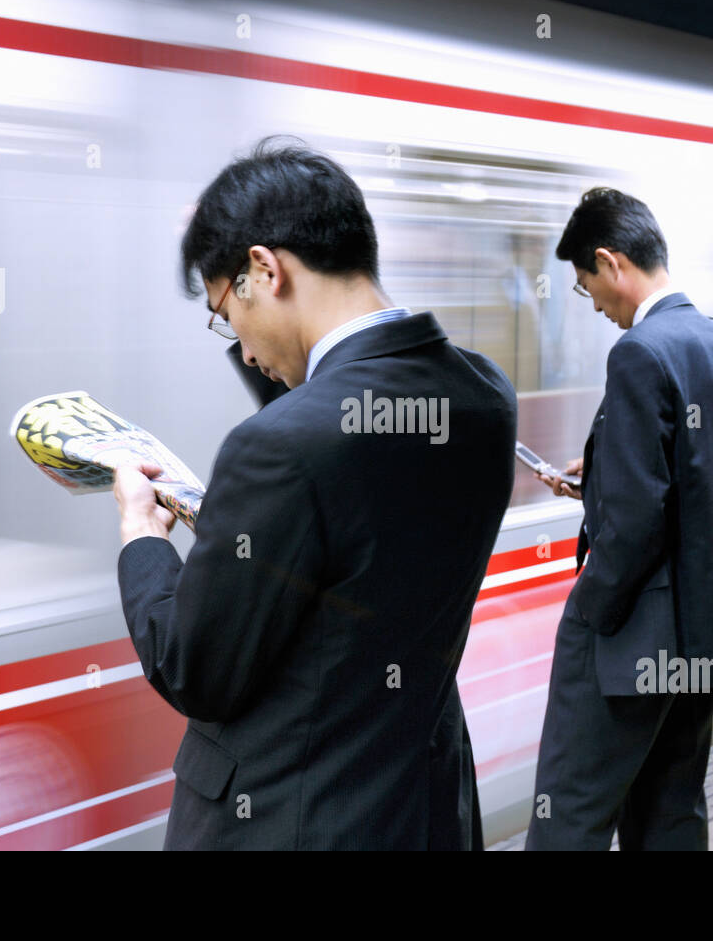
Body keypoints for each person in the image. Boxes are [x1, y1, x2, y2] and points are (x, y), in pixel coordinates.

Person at [112, 139, 517, 850]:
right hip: (422, 813)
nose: (239, 346)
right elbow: (351, 455)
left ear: (265, 269)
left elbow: (194, 670)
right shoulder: (484, 396)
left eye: (222, 311)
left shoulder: (281, 450)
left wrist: (141, 535)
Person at [525, 188, 713, 851]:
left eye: (586, 287)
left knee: (567, 814)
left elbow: (635, 525)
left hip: (632, 642)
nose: (595, 306)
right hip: (704, 631)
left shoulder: (639, 352)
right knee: (670, 815)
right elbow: (711, 475)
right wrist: (597, 477)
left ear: (611, 262)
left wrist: (591, 606)